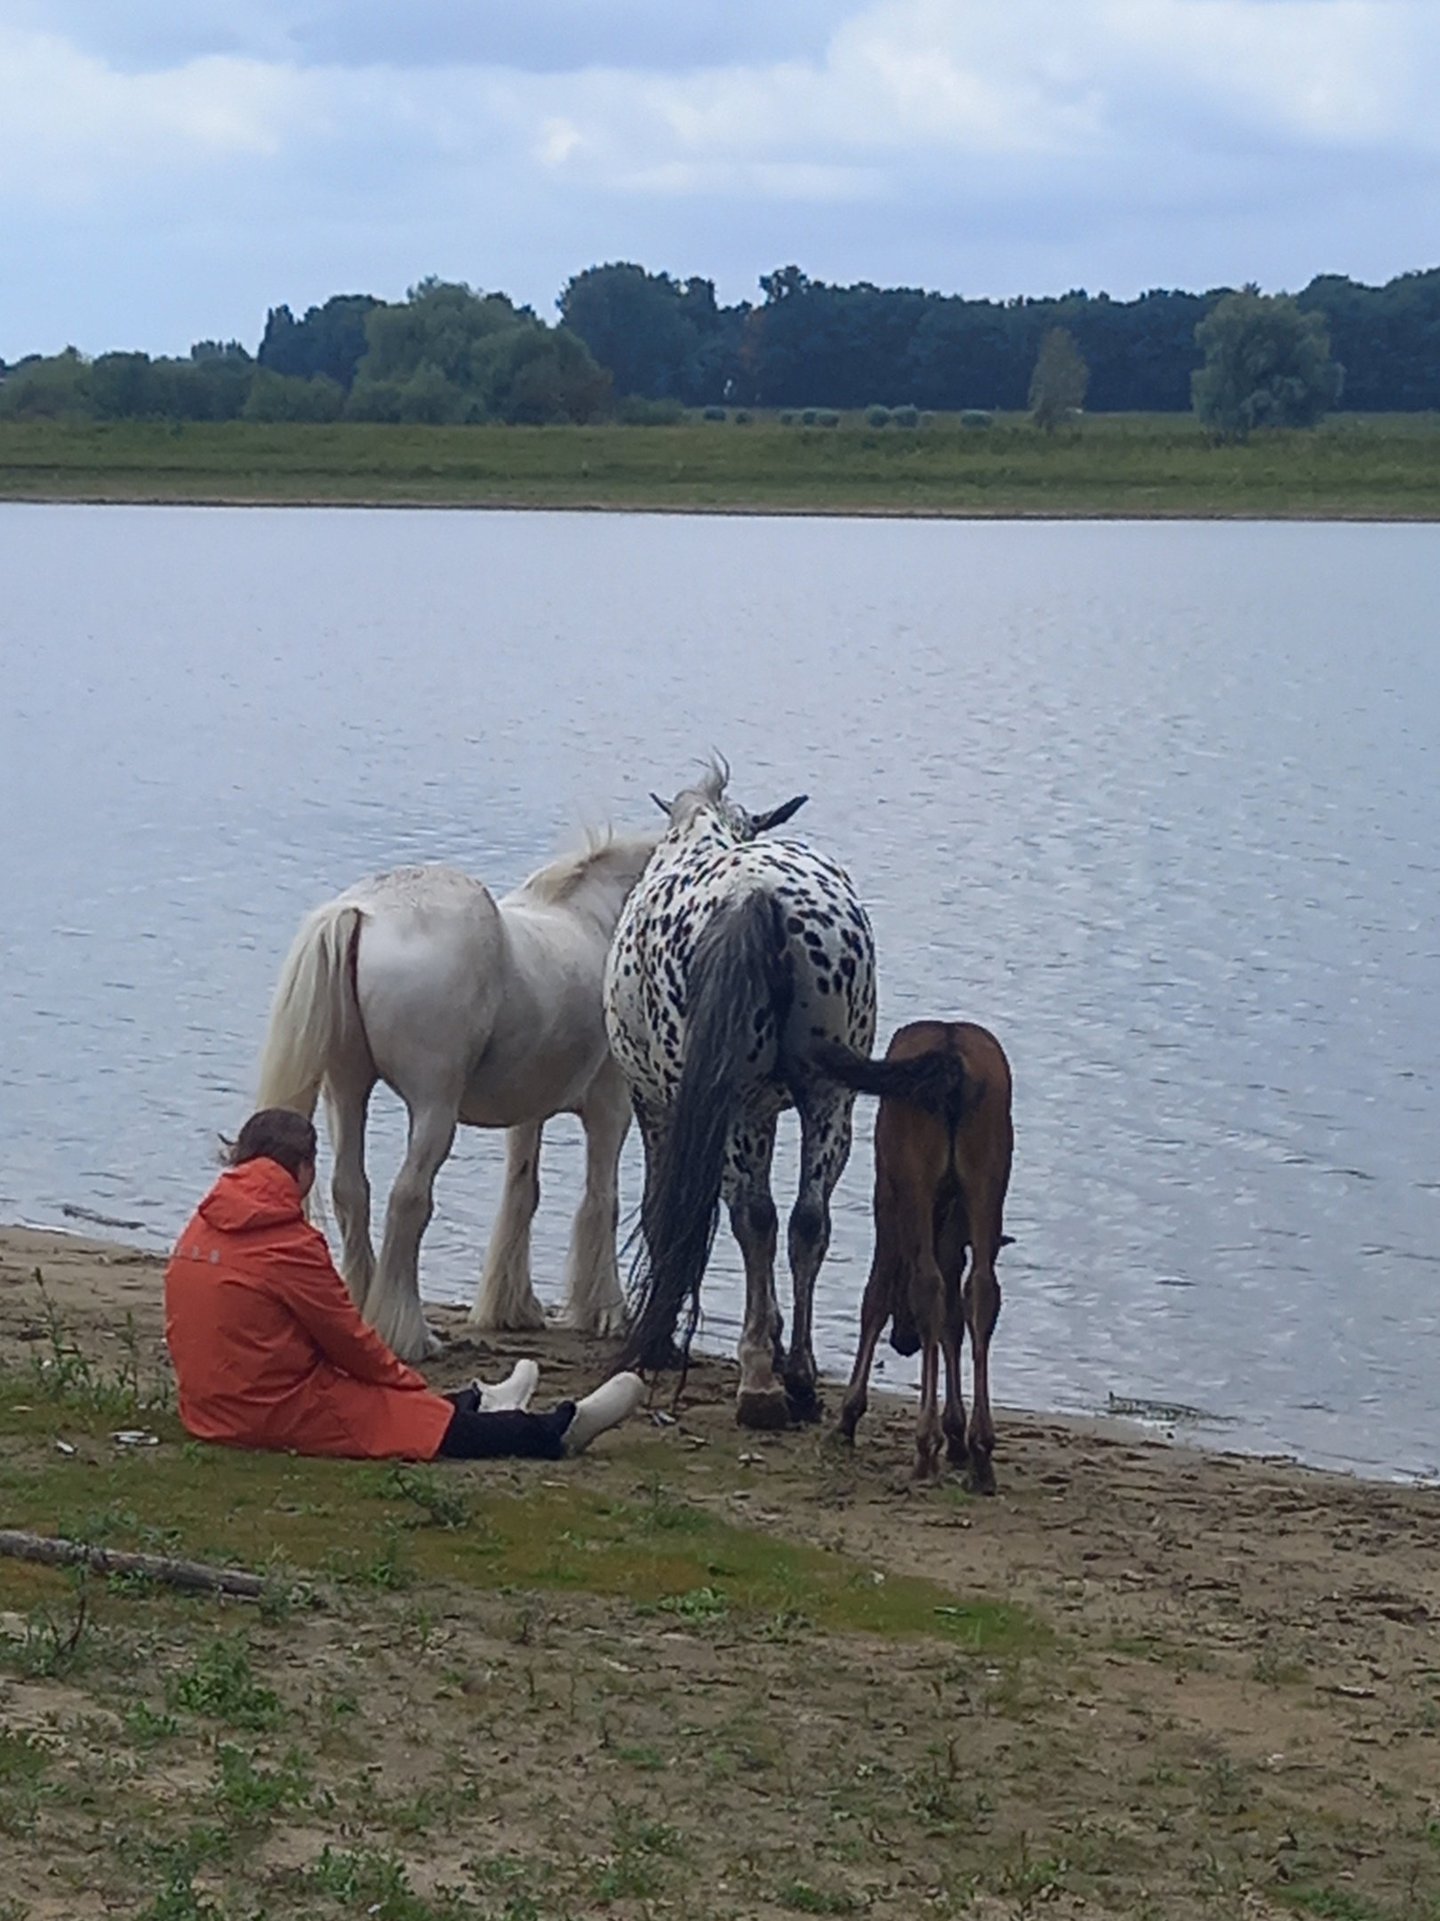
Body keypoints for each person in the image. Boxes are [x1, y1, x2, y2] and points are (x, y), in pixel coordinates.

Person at [164, 1108, 644, 1462]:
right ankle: (557, 1429)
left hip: (211, 1408)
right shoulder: (287, 1242)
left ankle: (484, 1401)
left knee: (392, 1407)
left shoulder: (201, 1224)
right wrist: (409, 1385)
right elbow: (349, 1341)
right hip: (269, 1412)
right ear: (304, 1169)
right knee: (418, 1424)